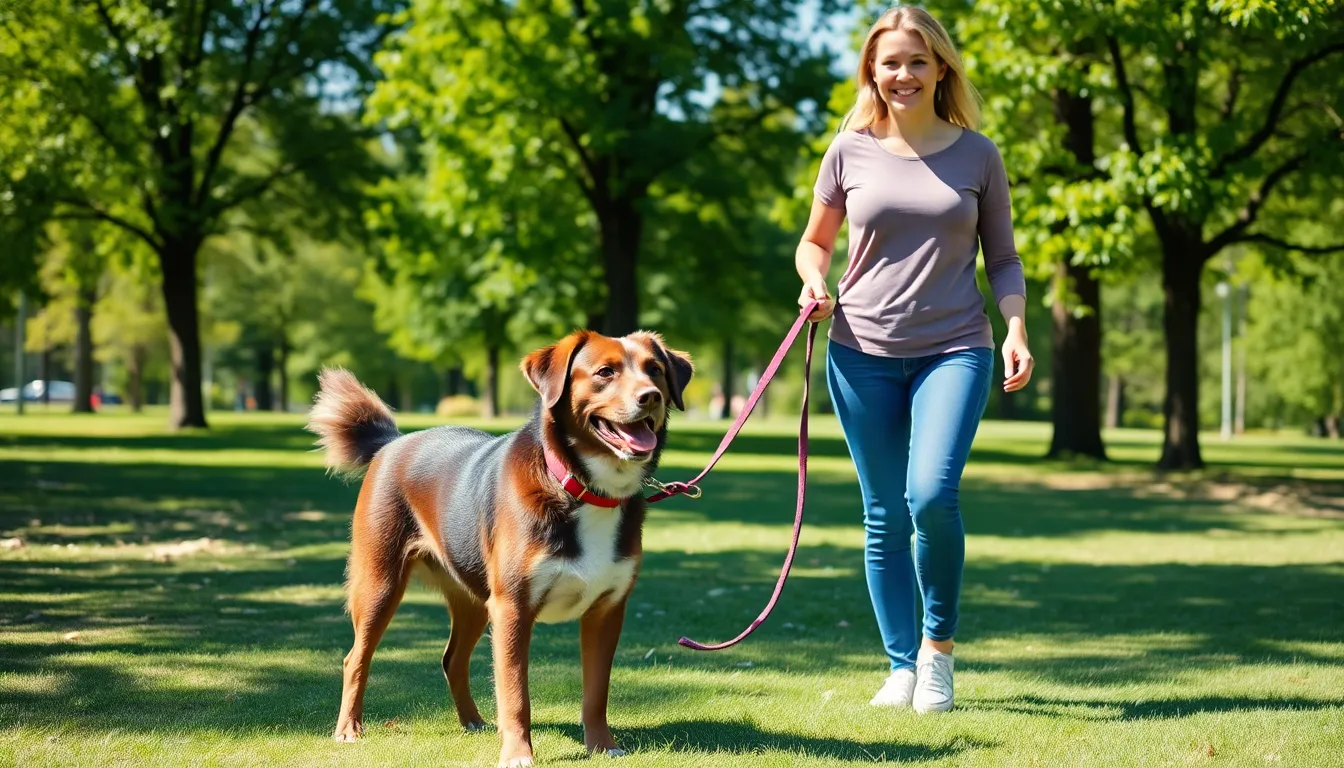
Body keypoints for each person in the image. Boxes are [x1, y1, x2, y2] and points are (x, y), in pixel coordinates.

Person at [794, 5, 1033, 714]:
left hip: (955, 348)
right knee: (882, 514)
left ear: (941, 69)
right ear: (873, 69)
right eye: (890, 62)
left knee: (929, 495)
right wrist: (814, 278)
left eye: (917, 61)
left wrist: (1016, 328)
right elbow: (814, 242)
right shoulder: (847, 151)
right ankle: (900, 663)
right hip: (859, 351)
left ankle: (938, 652)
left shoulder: (977, 154)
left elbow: (1006, 258)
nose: (902, 73)